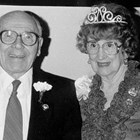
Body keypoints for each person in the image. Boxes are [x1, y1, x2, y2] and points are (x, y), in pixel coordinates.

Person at [0, 10, 82, 140]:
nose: (18, 45)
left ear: (39, 46)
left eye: (28, 37)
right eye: (8, 35)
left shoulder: (67, 92)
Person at [75, 2, 140, 140]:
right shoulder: (81, 93)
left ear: (126, 49)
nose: (100, 55)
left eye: (109, 45)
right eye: (93, 45)